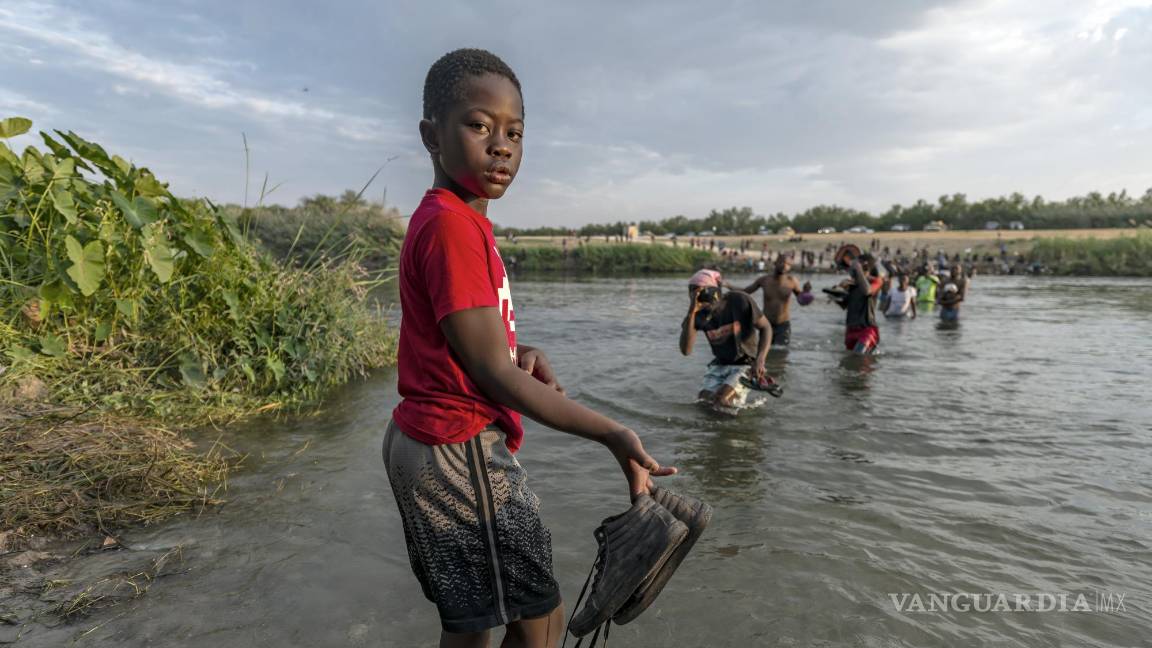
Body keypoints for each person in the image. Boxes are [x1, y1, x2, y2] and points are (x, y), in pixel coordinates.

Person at [384, 49, 675, 648]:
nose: (501, 145)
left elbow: (468, 347)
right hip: (456, 445)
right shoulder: (451, 227)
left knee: (473, 620)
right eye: (479, 125)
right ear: (430, 136)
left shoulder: (459, 221)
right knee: (539, 618)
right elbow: (487, 371)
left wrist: (519, 350)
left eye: (514, 132)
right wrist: (612, 434)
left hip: (430, 439)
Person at [679, 270, 772, 409]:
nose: (703, 302)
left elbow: (766, 328)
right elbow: (686, 350)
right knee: (703, 404)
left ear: (716, 291)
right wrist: (691, 311)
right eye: (694, 295)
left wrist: (760, 359)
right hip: (719, 365)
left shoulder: (739, 300)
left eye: (703, 294)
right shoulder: (697, 314)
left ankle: (738, 430)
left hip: (745, 364)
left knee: (722, 400)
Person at [741, 255, 808, 347]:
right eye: (781, 262)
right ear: (775, 263)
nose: (784, 265)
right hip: (766, 325)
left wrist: (807, 296)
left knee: (781, 354)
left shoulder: (792, 281)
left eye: (788, 264)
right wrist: (726, 285)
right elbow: (745, 291)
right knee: (764, 352)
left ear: (790, 267)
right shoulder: (764, 280)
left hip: (783, 325)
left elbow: (801, 301)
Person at [836, 251, 882, 354]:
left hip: (867, 329)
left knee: (858, 356)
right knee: (849, 363)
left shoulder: (876, 281)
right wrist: (836, 296)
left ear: (866, 267)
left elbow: (867, 291)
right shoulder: (851, 284)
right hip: (850, 329)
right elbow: (845, 305)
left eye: (856, 265)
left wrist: (858, 269)